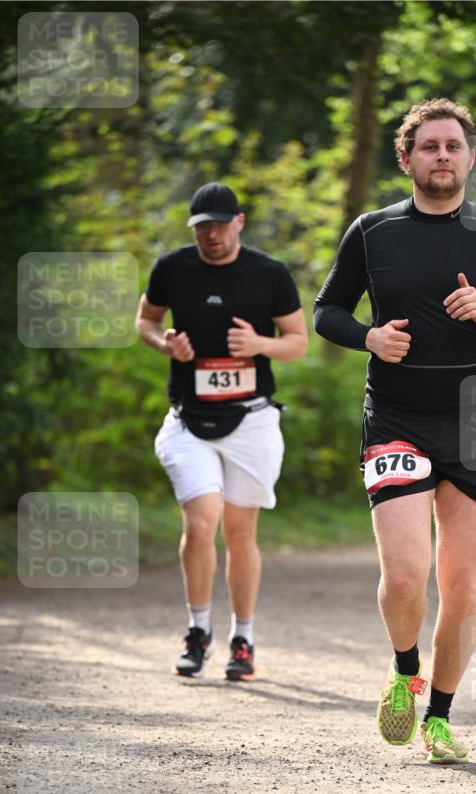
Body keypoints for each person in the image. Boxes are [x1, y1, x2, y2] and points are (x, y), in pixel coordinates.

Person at [314, 98, 476, 763]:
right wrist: (367, 336)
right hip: (394, 416)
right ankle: (402, 670)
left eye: (452, 145)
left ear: (469, 156)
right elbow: (326, 310)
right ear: (406, 158)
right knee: (405, 577)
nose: (441, 156)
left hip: (475, 420)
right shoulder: (372, 231)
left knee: (462, 584)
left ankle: (439, 719)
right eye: (428, 146)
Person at [136, 182, 307, 681]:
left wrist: (258, 343)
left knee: (239, 532)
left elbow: (297, 342)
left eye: (218, 223)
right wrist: (163, 343)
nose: (211, 234)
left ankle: (243, 639)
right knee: (201, 521)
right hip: (189, 418)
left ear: (240, 221)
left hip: (251, 419)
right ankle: (198, 631)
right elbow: (144, 321)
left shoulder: (269, 273)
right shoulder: (171, 268)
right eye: (201, 226)